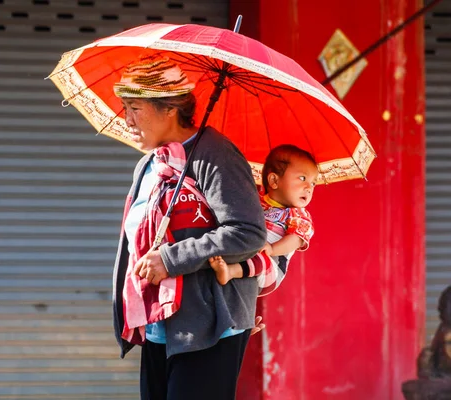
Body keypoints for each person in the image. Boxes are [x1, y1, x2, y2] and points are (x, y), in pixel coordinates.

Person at [111, 54, 267, 400]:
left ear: (170, 109)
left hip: (209, 325)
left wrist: (172, 258)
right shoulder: (149, 165)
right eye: (124, 107)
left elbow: (248, 231)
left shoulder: (215, 155)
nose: (126, 119)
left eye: (135, 108)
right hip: (158, 323)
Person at [209, 145, 318, 295]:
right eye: (302, 178)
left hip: (272, 267)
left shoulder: (298, 214)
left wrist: (273, 249)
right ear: (274, 180)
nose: (309, 187)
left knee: (261, 259)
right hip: (248, 250)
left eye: (313, 183)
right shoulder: (256, 201)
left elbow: (296, 239)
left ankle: (231, 271)